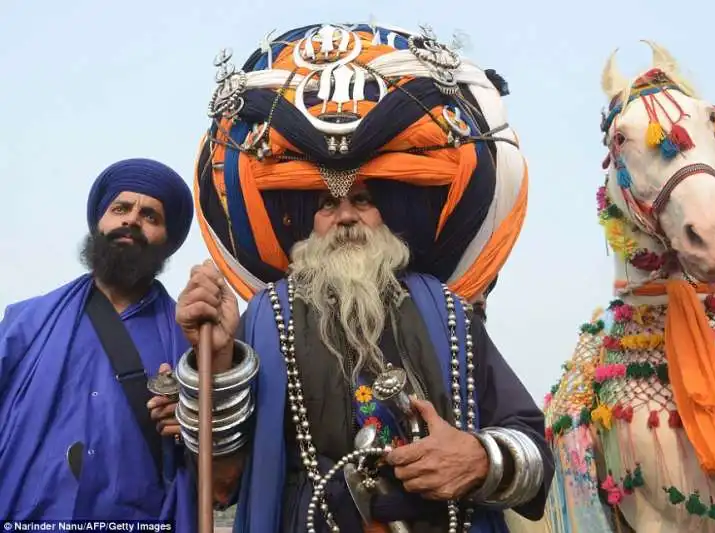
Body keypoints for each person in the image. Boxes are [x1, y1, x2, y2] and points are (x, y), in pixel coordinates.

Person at [167, 21, 551, 533]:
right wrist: (214, 360)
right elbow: (222, 480)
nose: (345, 217)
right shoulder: (266, 313)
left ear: (388, 218)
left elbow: (532, 445)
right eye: (327, 204)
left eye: (363, 200)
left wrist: (479, 459)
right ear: (309, 225)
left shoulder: (448, 311)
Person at [0, 158, 197, 529]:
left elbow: (220, 474)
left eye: (150, 216)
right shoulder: (25, 324)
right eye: (120, 208)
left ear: (167, 243)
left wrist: (192, 424)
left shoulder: (187, 341)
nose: (131, 220)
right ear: (99, 223)